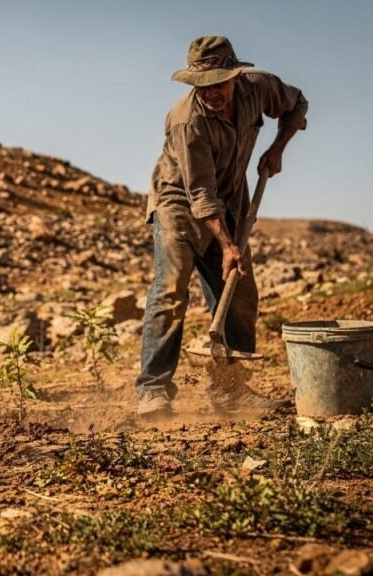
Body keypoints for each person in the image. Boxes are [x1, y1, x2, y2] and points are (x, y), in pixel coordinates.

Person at [137, 36, 308, 417]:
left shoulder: (258, 87)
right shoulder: (186, 121)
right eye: (202, 84)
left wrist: (278, 146)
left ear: (235, 75)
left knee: (241, 293)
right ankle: (153, 390)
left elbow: (297, 104)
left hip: (229, 197)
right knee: (171, 288)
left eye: (218, 82)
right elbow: (200, 192)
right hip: (178, 200)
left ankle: (231, 392)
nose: (211, 92)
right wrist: (229, 246)